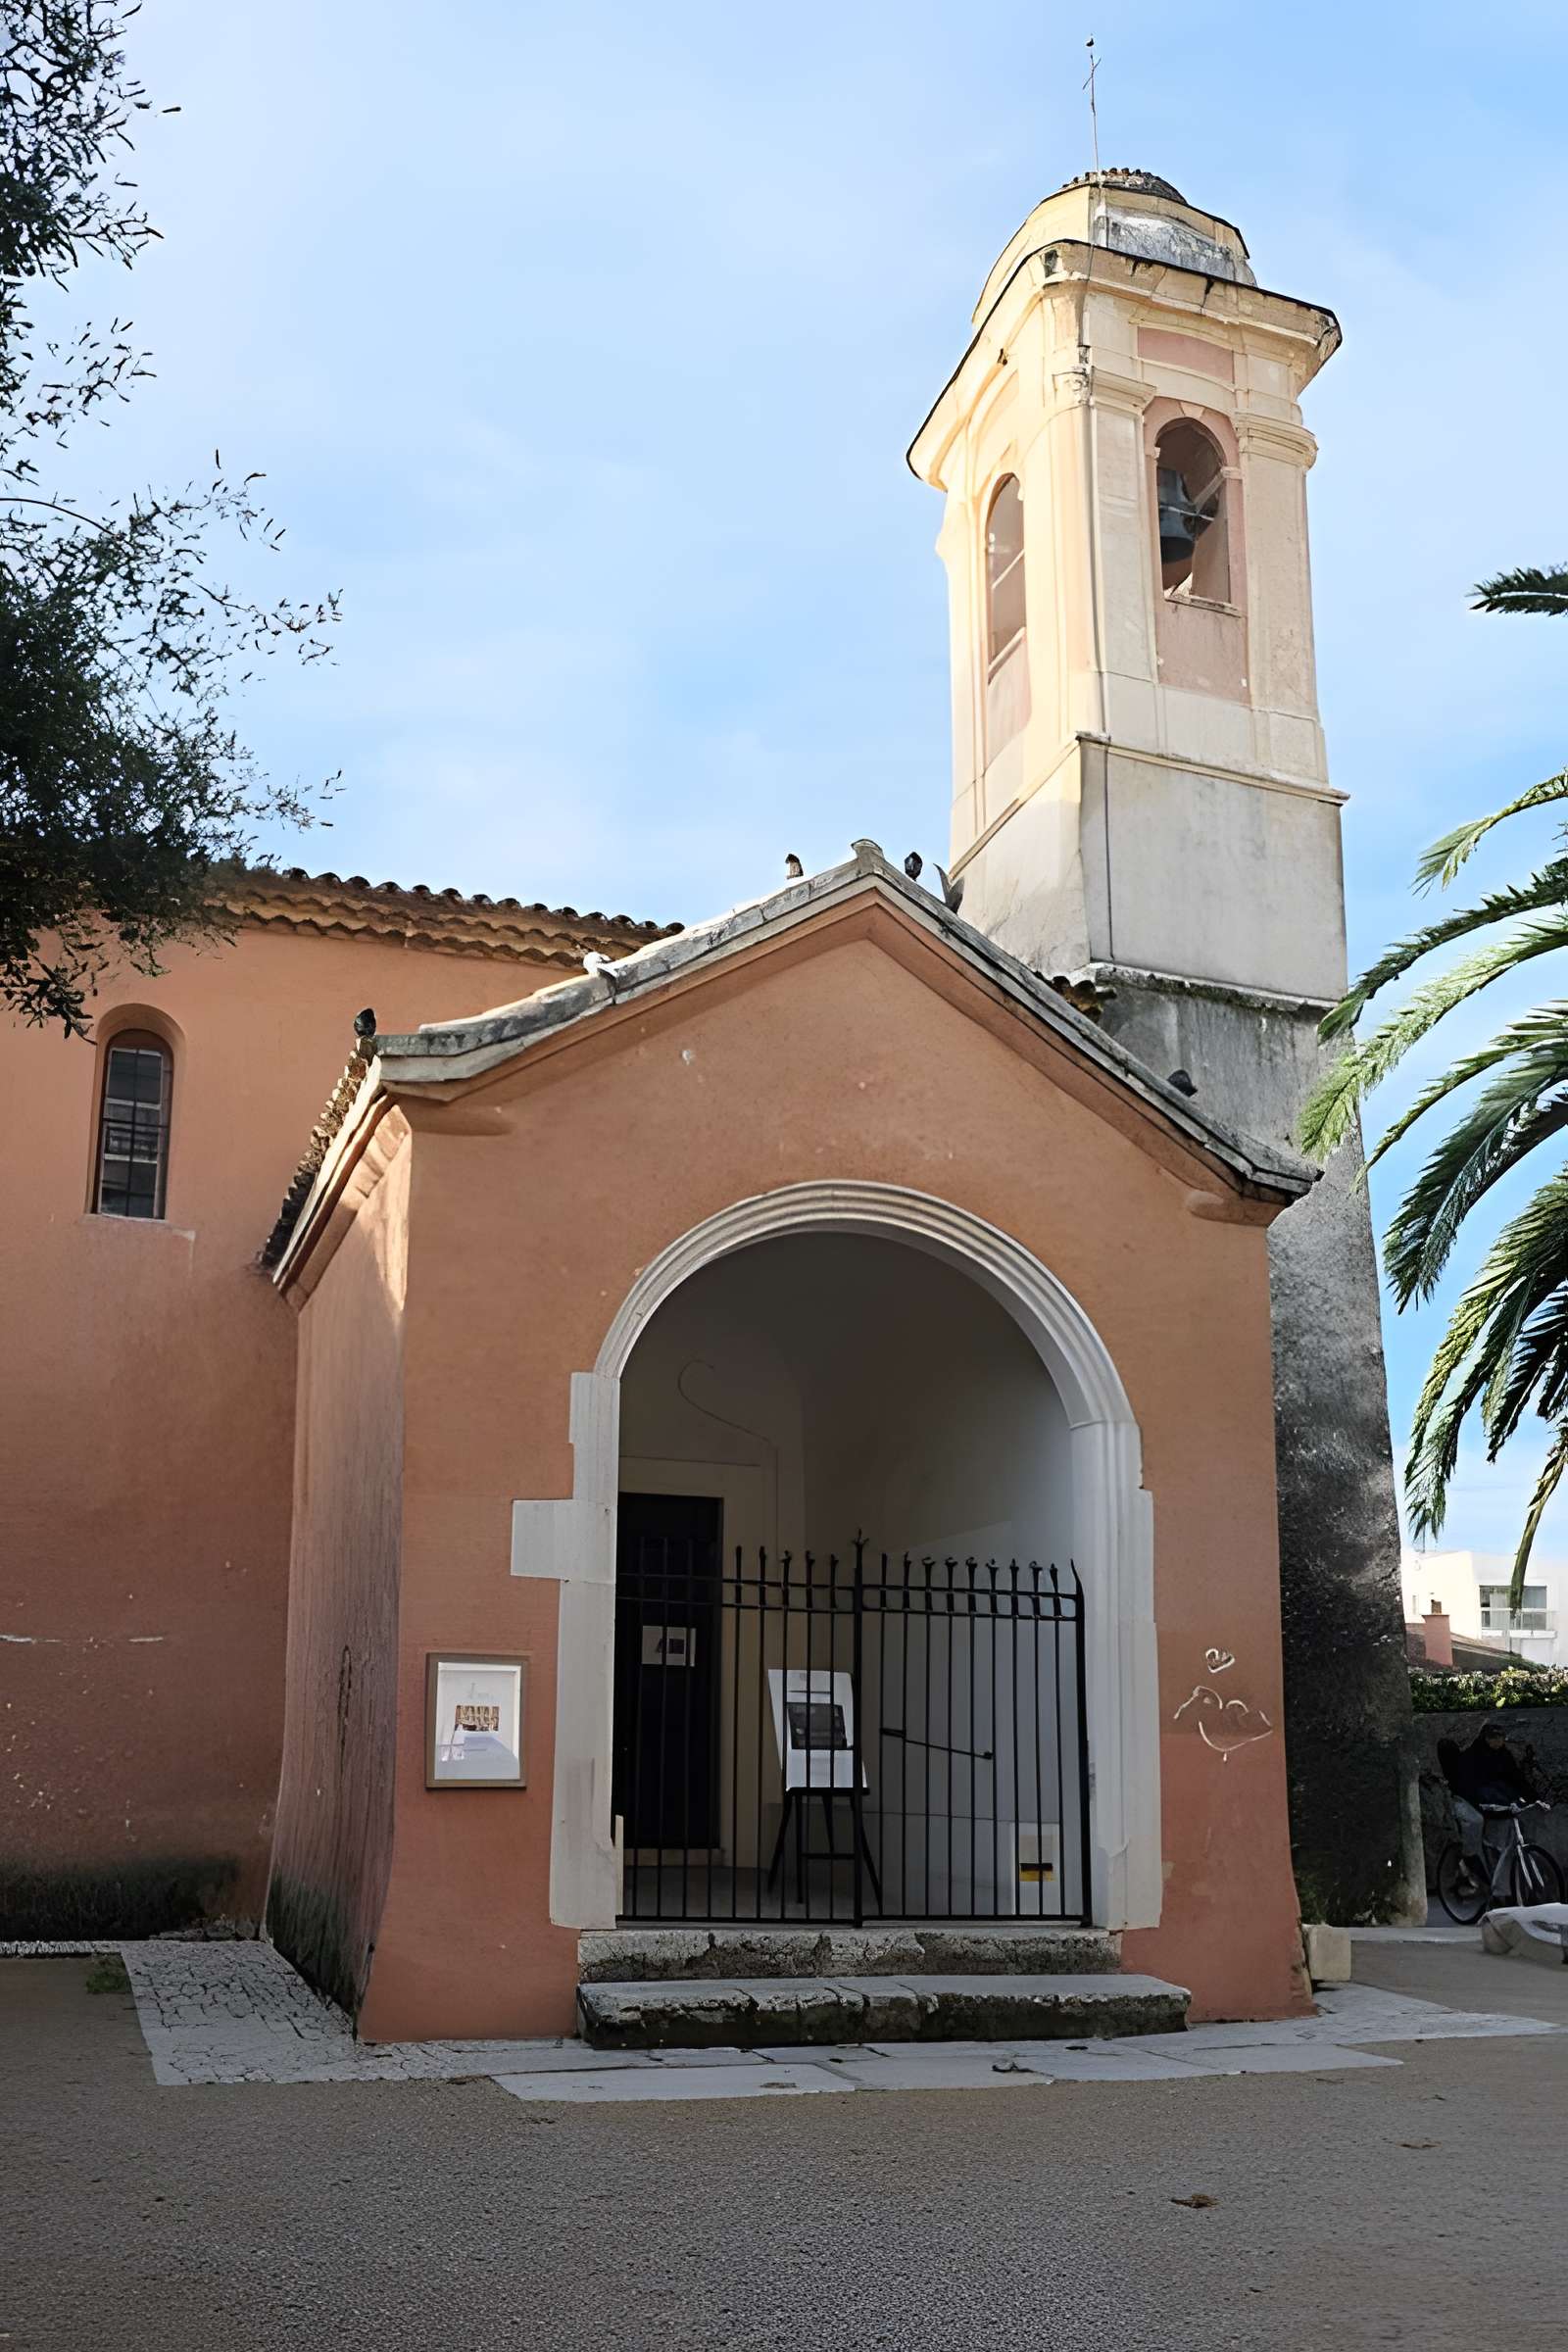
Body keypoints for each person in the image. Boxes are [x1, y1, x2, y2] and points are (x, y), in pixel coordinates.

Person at [1449, 1720, 1536, 1894]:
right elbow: (1468, 1785)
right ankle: (1470, 1861)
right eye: (1492, 1738)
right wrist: (1484, 1802)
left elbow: (1516, 1778)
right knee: (1476, 1824)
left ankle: (1504, 1888)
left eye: (1500, 1737)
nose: (1497, 1741)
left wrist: (1534, 1798)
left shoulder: (1504, 1756)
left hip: (1496, 1802)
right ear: (1485, 1739)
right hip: (1474, 1801)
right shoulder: (1473, 1756)